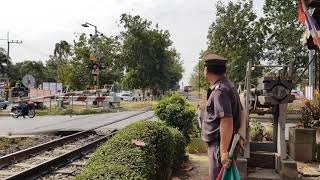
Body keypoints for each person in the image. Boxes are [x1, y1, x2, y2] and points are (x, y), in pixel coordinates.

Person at [201, 53, 247, 180]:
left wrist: (223, 152)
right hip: (226, 143)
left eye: (204, 67)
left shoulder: (220, 91)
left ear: (207, 70)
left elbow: (226, 121)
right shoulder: (228, 85)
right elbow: (242, 111)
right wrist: (241, 133)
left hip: (219, 145)